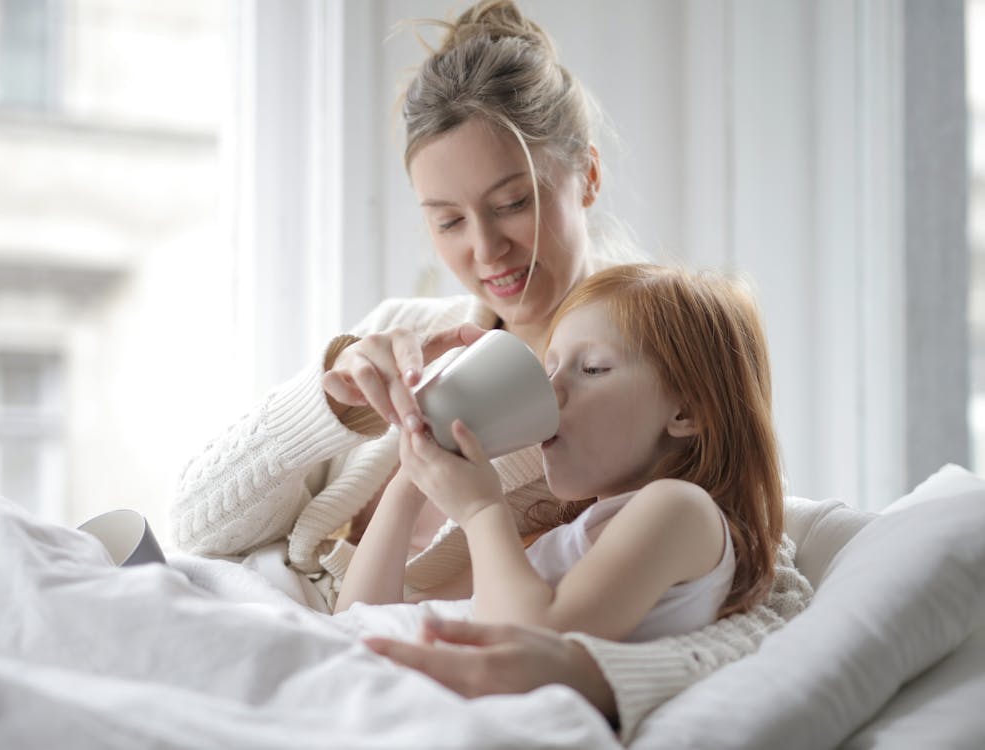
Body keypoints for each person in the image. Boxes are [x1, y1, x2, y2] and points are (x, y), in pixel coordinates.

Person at [169, 0, 813, 742]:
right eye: (446, 219)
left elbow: (762, 595)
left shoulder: (647, 384)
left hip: (381, 674)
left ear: (587, 178)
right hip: (291, 617)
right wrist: (331, 403)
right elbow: (197, 527)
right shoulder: (400, 334)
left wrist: (592, 676)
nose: (485, 250)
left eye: (512, 203)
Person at [337, 263, 783, 647]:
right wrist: (409, 485)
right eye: (549, 367)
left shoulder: (681, 510)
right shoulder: (569, 537)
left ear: (686, 411)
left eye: (592, 369)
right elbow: (365, 619)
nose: (550, 391)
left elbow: (536, 642)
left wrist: (480, 509)